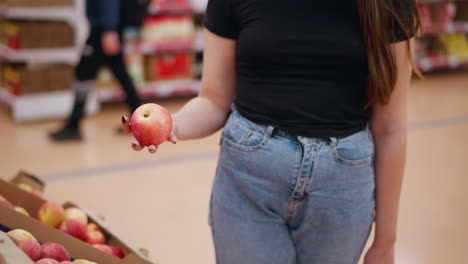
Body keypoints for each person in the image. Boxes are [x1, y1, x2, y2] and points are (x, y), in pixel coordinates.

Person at [122, 0, 420, 263]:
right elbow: (214, 100)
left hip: (342, 192)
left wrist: (385, 242)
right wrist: (171, 125)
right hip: (248, 182)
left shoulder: (388, 4)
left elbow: (390, 128)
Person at [50, 0, 142, 141]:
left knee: (83, 74)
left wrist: (109, 29)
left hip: (103, 32)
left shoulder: (107, 28)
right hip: (106, 29)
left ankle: (73, 126)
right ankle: (141, 122)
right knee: (121, 74)